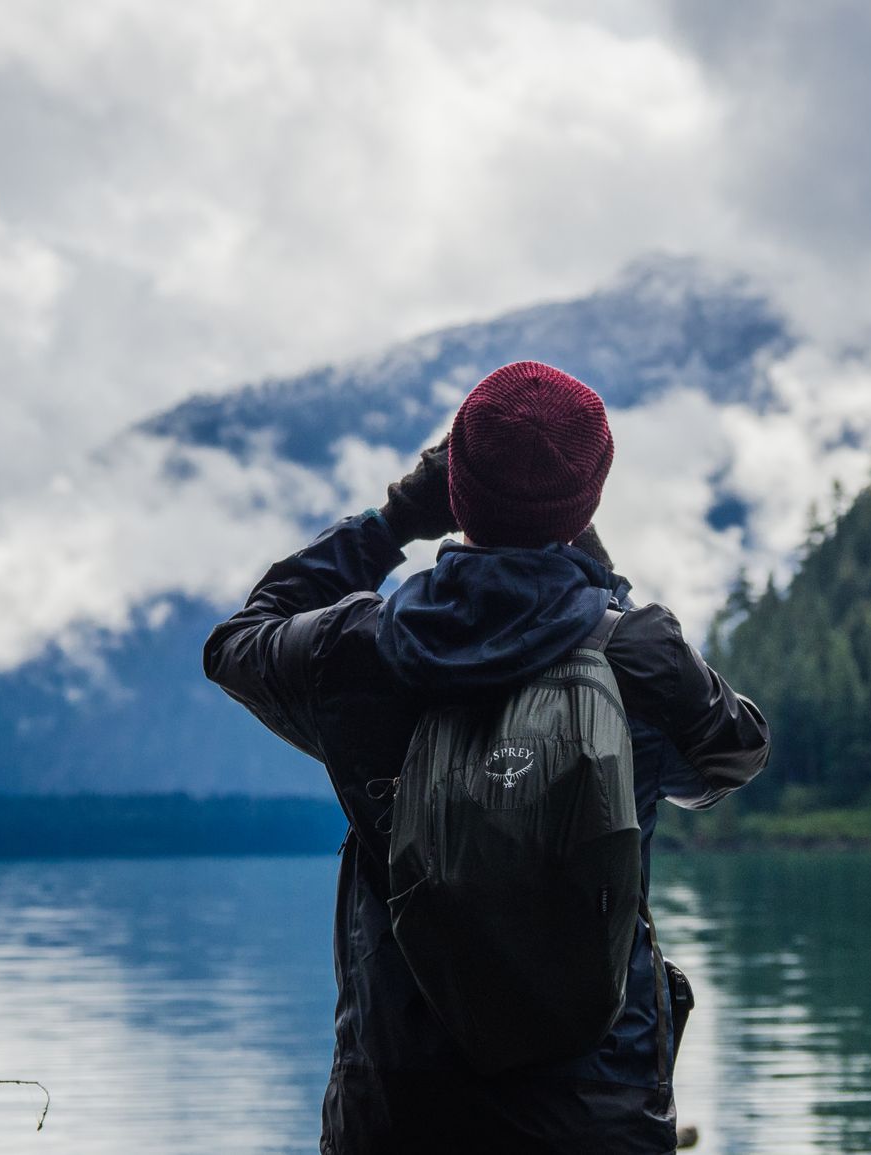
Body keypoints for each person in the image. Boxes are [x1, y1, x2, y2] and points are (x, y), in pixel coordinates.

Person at [204, 360, 770, 1154]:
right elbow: (732, 755)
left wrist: (397, 517)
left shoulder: (354, 651)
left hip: (398, 1117)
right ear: (590, 498)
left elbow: (236, 640)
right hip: (598, 1119)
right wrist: (604, 582)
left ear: (455, 490)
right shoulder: (640, 657)